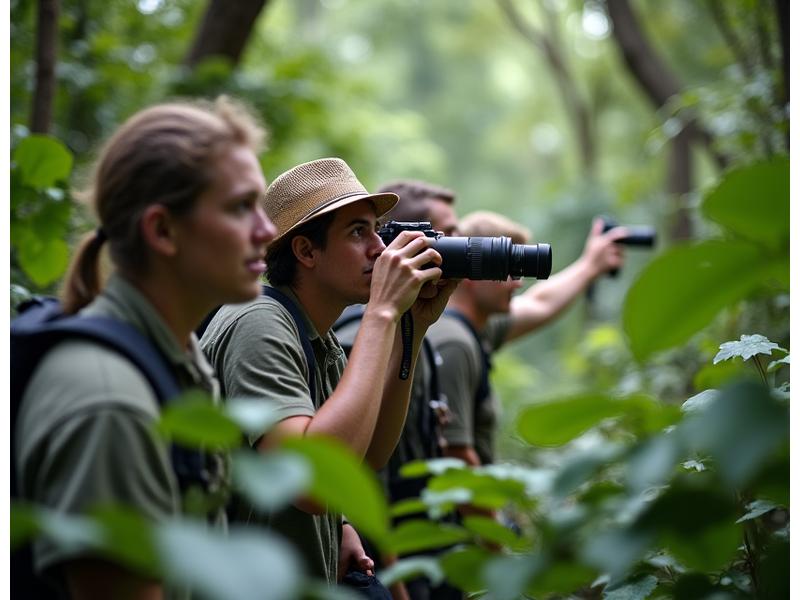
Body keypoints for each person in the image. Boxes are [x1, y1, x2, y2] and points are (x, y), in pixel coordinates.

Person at [13, 97, 277, 599]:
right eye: (240, 207)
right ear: (162, 230)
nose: (266, 231)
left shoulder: (174, 359)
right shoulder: (110, 402)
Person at [200, 158, 457, 587]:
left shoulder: (319, 338)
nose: (379, 248)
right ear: (305, 251)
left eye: (376, 230)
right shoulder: (258, 322)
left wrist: (410, 326)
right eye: (358, 232)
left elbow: (369, 456)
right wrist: (380, 314)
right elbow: (311, 484)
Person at [428, 210, 628, 468]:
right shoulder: (454, 343)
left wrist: (590, 265)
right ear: (473, 268)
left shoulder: (473, 327)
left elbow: (540, 303)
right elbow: (456, 459)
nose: (518, 283)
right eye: (508, 269)